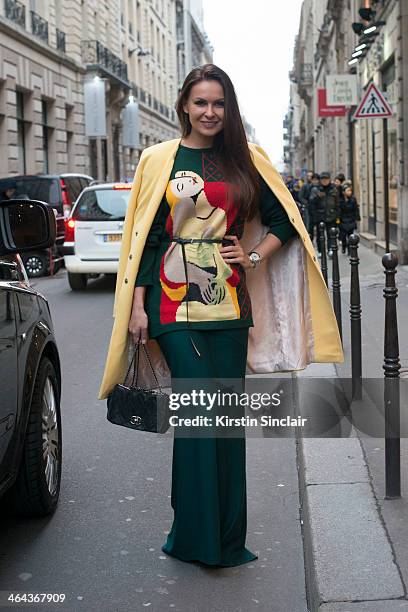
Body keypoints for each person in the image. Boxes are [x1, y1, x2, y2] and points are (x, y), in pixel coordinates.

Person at [98, 64, 343, 569]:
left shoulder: (246, 159)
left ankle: (227, 538)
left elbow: (284, 223)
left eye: (219, 103)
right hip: (170, 306)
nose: (210, 112)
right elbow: (147, 239)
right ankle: (194, 537)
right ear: (184, 105)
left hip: (229, 308)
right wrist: (138, 306)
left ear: (228, 109)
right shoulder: (157, 159)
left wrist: (252, 257)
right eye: (201, 102)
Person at [339, 184, 360, 254]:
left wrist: (357, 217)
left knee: (350, 235)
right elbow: (339, 210)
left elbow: (356, 209)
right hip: (343, 220)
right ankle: (344, 246)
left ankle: (349, 249)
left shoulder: (353, 199)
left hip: (351, 219)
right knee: (343, 236)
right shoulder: (340, 200)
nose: (349, 192)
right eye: (347, 190)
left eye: (350, 191)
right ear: (343, 192)